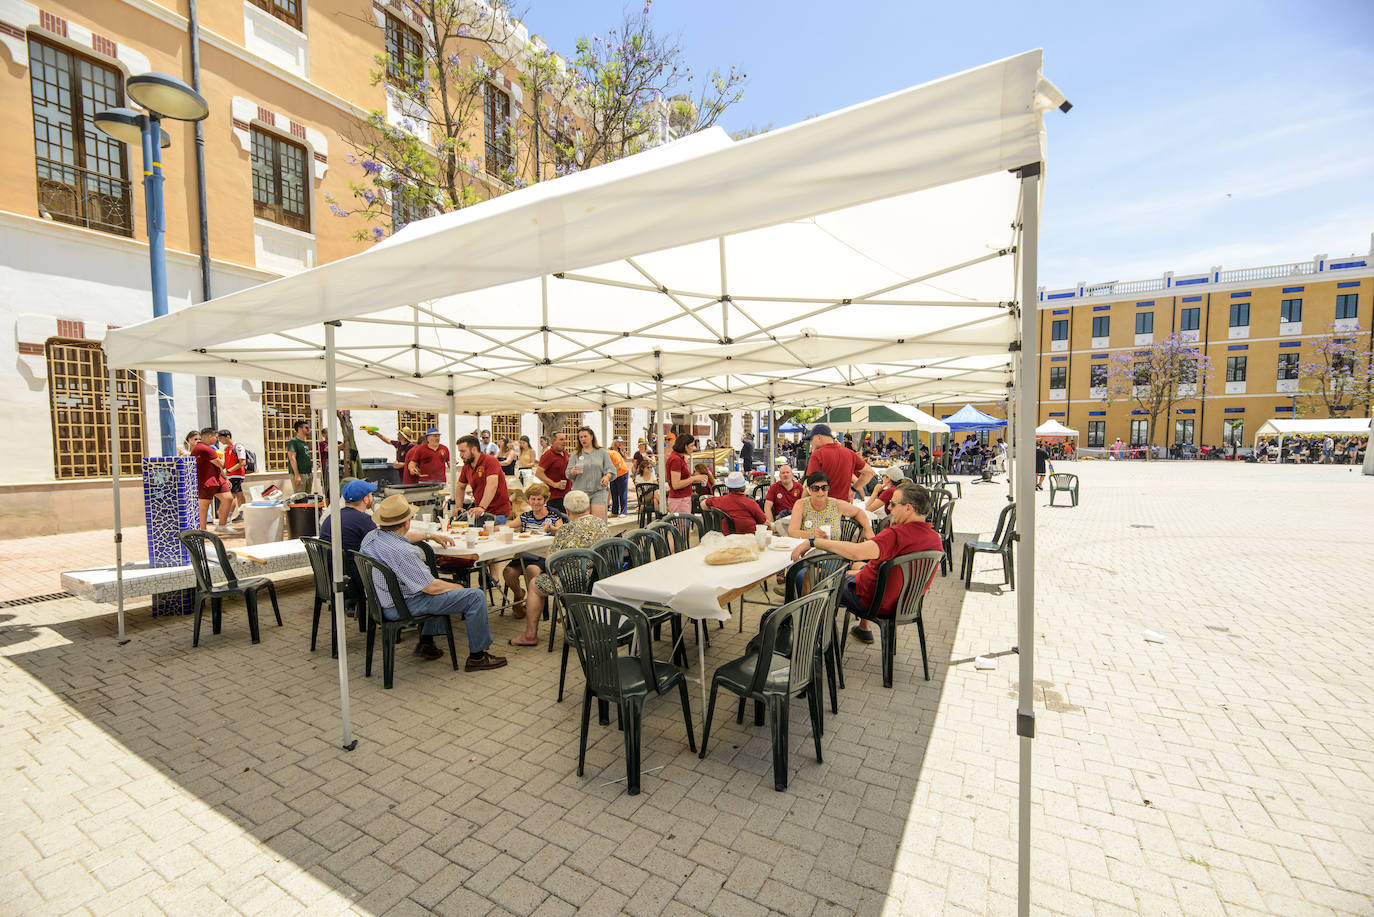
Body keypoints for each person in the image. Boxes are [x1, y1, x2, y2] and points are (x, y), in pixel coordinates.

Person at [358, 494, 505, 669]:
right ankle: (477, 656)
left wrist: (429, 535)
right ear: (407, 522)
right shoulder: (404, 552)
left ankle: (427, 643)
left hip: (380, 601)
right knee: (473, 595)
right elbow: (430, 587)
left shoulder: (372, 537)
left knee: (436, 585)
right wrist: (457, 587)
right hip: (399, 607)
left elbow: (402, 537)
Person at [791, 482, 943, 645]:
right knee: (856, 566)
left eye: (892, 504)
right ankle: (864, 628)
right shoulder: (935, 539)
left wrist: (815, 542)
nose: (889, 508)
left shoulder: (896, 535)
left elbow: (856, 551)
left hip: (873, 601)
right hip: (905, 602)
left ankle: (807, 636)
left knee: (809, 575)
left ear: (908, 509)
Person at [321, 479, 454, 610]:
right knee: (404, 574)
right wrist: (429, 536)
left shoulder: (333, 516)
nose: (372, 497)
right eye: (371, 494)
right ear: (366, 499)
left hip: (330, 575)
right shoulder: (363, 520)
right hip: (354, 581)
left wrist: (428, 536)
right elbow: (389, 540)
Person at [505, 490, 607, 647]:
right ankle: (572, 615)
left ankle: (530, 635)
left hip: (575, 584)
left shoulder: (566, 530)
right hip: (599, 579)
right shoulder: (601, 523)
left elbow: (550, 564)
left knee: (535, 584)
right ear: (587, 506)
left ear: (567, 510)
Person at [500, 482, 566, 623]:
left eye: (539, 499)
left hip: (543, 555)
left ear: (545, 500)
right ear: (528, 500)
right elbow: (508, 526)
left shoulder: (553, 514)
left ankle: (533, 606)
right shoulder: (526, 516)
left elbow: (562, 532)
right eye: (532, 499)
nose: (535, 502)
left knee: (532, 570)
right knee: (508, 572)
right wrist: (488, 528)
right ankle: (519, 596)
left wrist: (550, 529)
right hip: (524, 555)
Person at [787, 470, 873, 542]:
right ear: (809, 489)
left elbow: (858, 512)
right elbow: (792, 532)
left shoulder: (836, 504)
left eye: (824, 488)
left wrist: (868, 529)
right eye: (815, 488)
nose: (820, 492)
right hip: (807, 555)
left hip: (832, 555)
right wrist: (812, 534)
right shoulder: (801, 504)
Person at [805, 423, 874, 505]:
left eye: (811, 440)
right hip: (843, 507)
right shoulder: (849, 453)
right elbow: (870, 473)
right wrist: (853, 489)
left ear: (819, 437)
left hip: (822, 507)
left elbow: (810, 486)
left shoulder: (817, 454)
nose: (811, 443)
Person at [455, 434, 512, 524]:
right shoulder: (467, 466)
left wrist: (482, 507)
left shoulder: (490, 461)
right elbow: (460, 486)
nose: (460, 455)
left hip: (497, 513)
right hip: (480, 512)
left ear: (473, 449)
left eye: (463, 451)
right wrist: (459, 507)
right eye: (460, 452)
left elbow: (492, 485)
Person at [566, 427, 616, 519]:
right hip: (580, 493)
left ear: (592, 437)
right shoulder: (575, 454)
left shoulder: (602, 452)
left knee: (598, 522)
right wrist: (573, 472)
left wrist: (607, 477)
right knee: (582, 522)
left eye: (585, 436)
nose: (583, 439)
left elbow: (611, 469)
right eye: (580, 437)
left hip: (598, 491)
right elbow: (568, 473)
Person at [190, 429, 232, 532]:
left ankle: (222, 526)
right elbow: (221, 464)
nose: (217, 439)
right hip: (205, 481)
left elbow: (218, 467)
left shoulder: (206, 448)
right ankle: (203, 531)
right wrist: (225, 457)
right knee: (204, 506)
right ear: (210, 436)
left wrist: (225, 478)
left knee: (228, 498)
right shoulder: (204, 449)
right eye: (216, 437)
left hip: (217, 479)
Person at [666, 435, 710, 514]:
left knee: (685, 525)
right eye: (692, 445)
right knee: (682, 525)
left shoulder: (679, 458)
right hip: (679, 499)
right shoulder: (676, 460)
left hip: (682, 499)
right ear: (685, 446)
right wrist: (694, 479)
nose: (693, 448)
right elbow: (676, 485)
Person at [535, 431, 571, 514]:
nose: (564, 442)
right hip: (554, 497)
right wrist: (554, 484)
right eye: (561, 439)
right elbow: (538, 473)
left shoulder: (565, 453)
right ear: (553, 441)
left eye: (565, 439)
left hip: (567, 494)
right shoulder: (548, 455)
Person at [217, 430, 248, 519]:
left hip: (236, 475)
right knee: (239, 494)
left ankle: (228, 516)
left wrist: (229, 471)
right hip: (229, 475)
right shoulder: (226, 449)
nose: (219, 440)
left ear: (227, 437)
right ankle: (242, 514)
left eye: (221, 438)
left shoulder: (238, 447)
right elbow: (225, 463)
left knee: (232, 495)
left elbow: (242, 462)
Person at [764, 464, 803, 528]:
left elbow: (804, 504)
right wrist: (771, 524)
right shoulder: (774, 487)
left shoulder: (799, 487)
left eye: (787, 472)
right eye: (783, 473)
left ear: (792, 475)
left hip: (795, 517)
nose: (785, 475)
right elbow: (767, 506)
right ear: (779, 476)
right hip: (780, 518)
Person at [286, 419, 313, 493]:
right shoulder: (293, 441)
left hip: (308, 473)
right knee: (300, 498)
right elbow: (292, 458)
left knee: (307, 498)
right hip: (300, 474)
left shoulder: (304, 443)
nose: (309, 429)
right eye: (306, 428)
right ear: (299, 429)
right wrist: (297, 475)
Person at [607, 438, 630, 517]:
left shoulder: (613, 453)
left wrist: (610, 474)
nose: (620, 443)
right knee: (614, 492)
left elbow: (618, 466)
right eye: (618, 442)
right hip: (613, 474)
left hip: (622, 473)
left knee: (622, 492)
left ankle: (623, 511)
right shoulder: (608, 452)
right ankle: (615, 511)